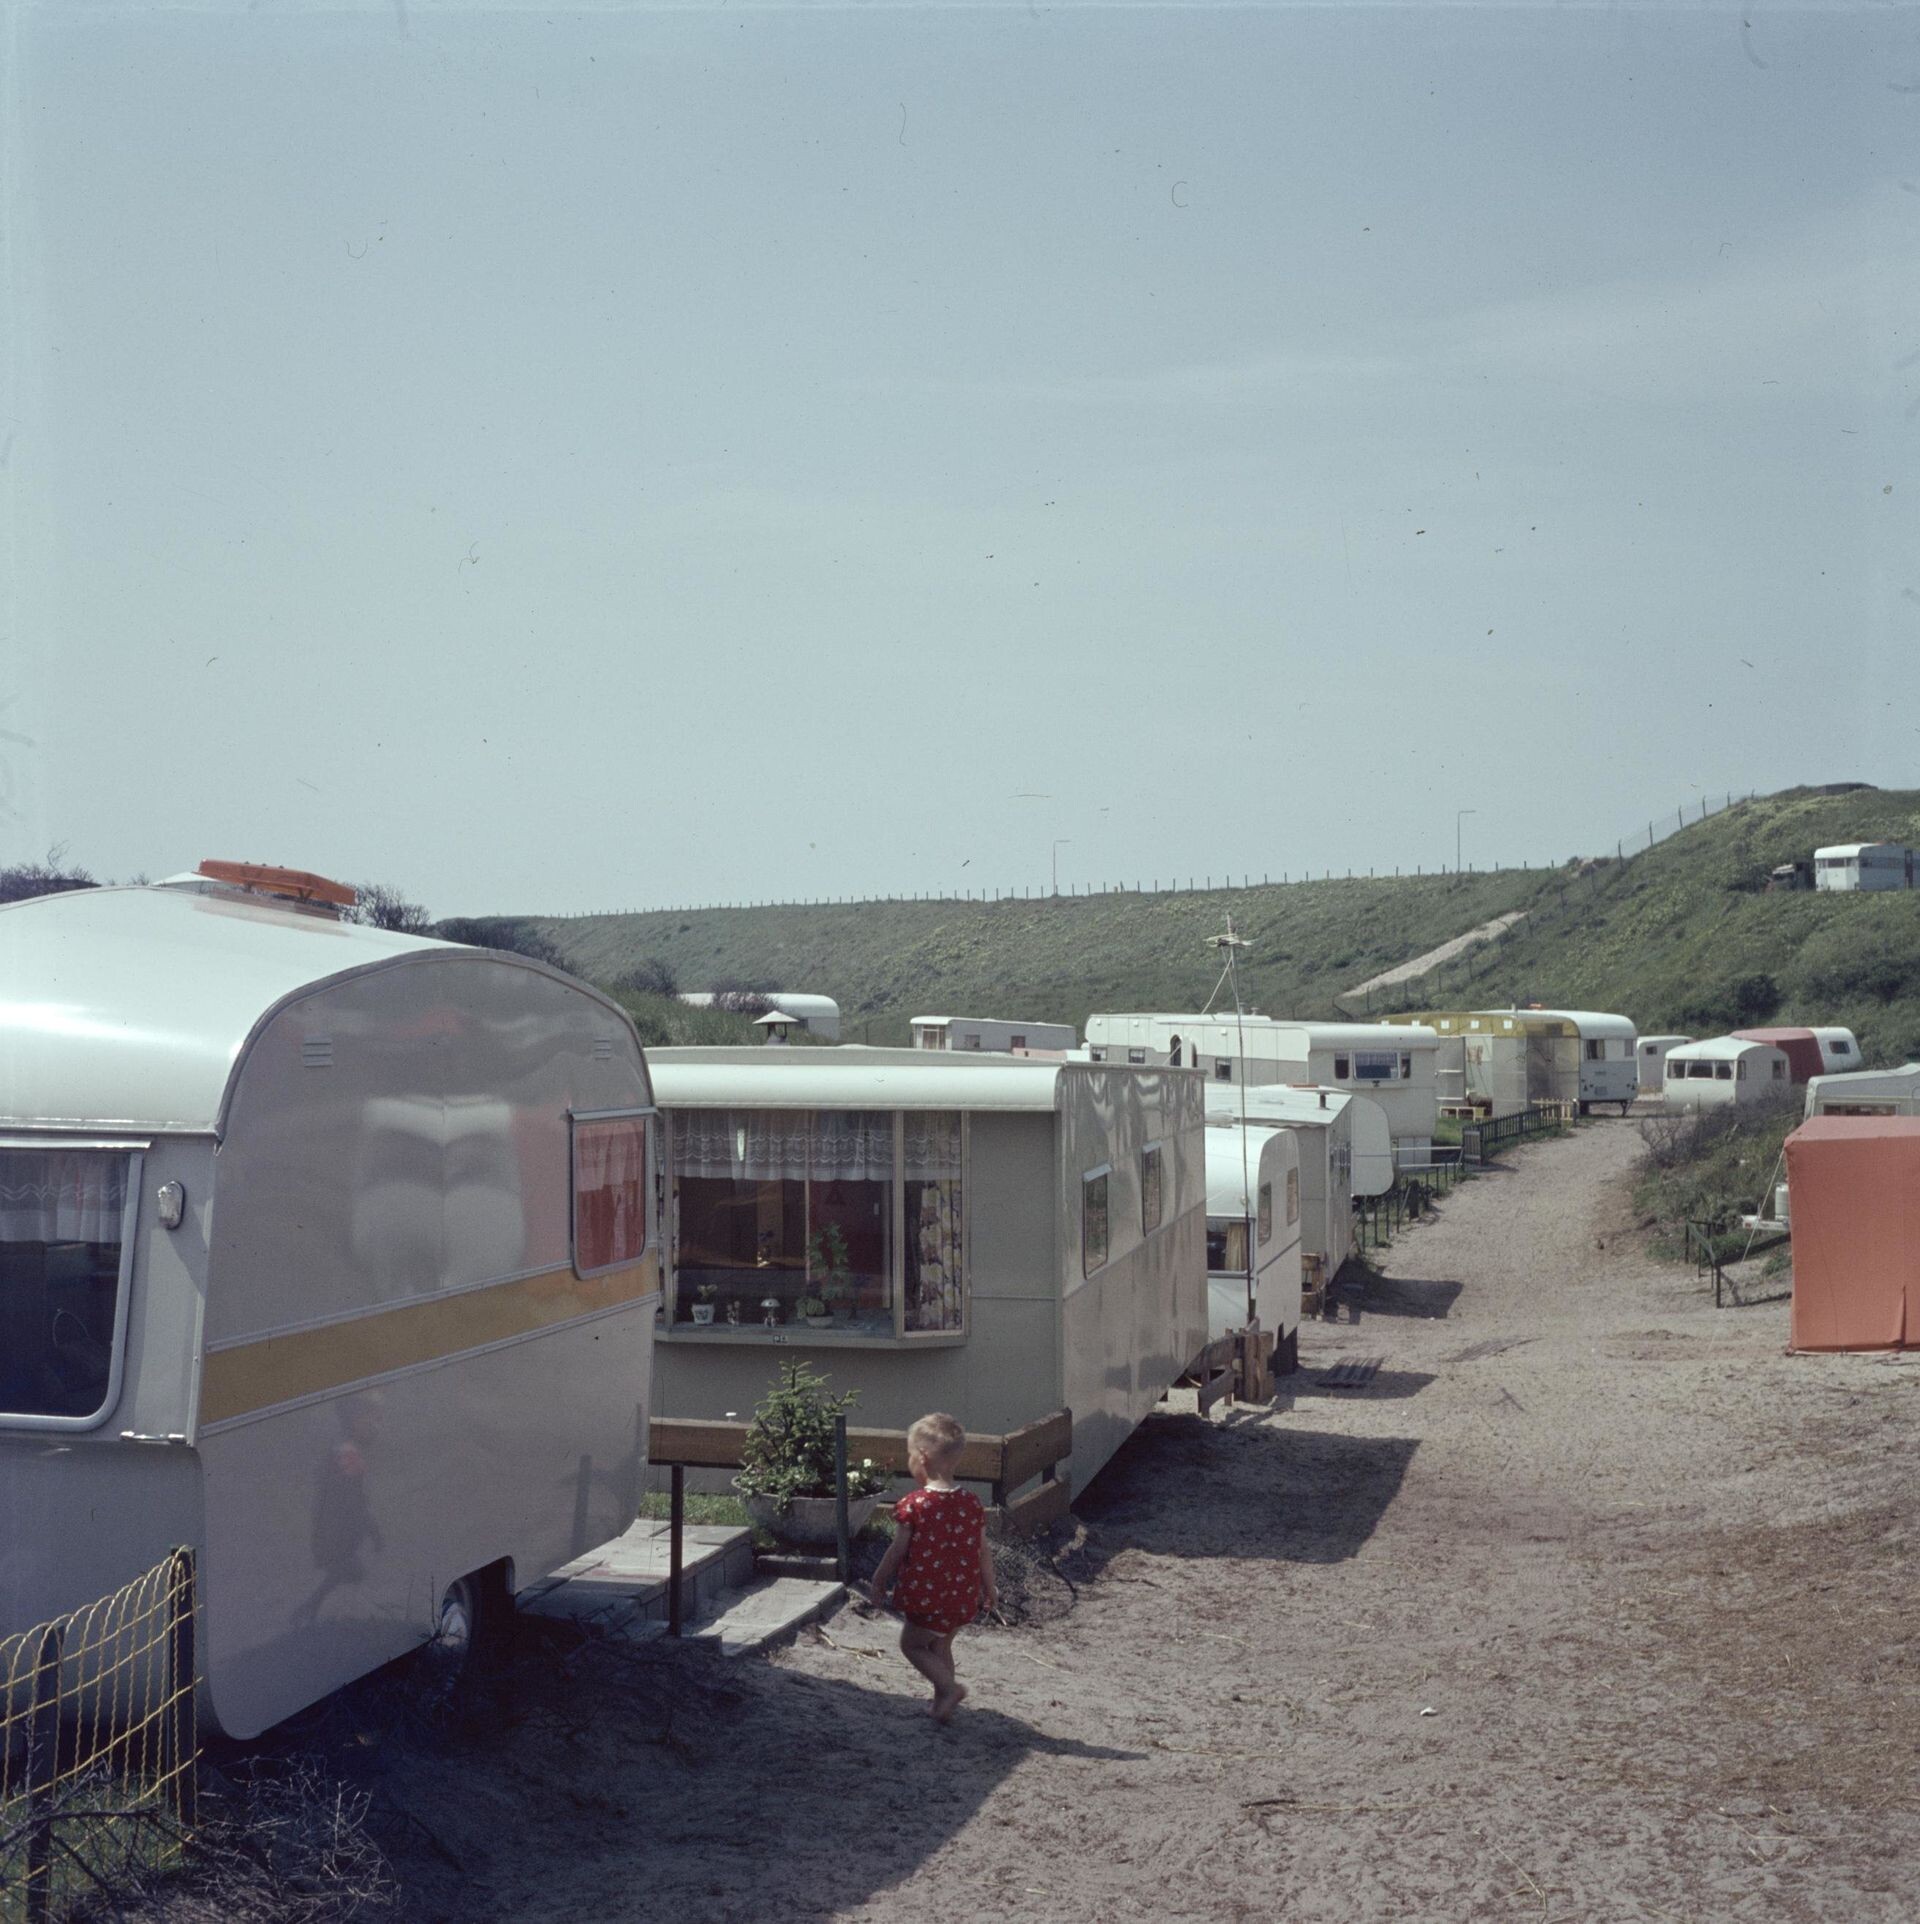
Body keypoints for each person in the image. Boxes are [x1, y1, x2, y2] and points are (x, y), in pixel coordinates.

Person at [869, 1411, 995, 1722]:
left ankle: (949, 1689)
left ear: (922, 1457)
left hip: (929, 1597)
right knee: (941, 1644)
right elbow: (982, 1550)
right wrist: (989, 1586)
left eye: (909, 1453)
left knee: (911, 1644)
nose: (909, 1460)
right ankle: (943, 1704)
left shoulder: (914, 1505)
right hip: (962, 1596)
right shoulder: (971, 1502)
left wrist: (879, 1579)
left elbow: (897, 1550)